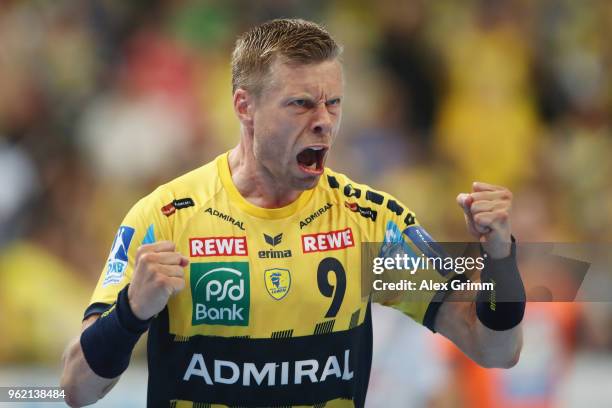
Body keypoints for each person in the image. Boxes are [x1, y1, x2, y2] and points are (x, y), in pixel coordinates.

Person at [60, 18, 525, 407]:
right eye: (301, 104)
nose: (323, 120)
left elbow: (495, 349)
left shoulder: (366, 224)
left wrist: (500, 259)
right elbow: (76, 389)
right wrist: (130, 313)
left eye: (334, 102)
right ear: (245, 106)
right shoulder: (166, 217)